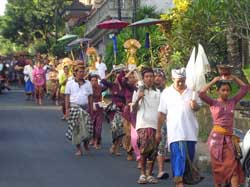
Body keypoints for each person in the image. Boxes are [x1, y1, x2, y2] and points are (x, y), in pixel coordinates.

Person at [199, 75, 248, 187]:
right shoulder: (213, 103)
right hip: (216, 140)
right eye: (223, 90)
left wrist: (234, 78)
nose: (226, 92)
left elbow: (245, 88)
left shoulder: (233, 101)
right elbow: (201, 93)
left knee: (233, 168)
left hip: (230, 140)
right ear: (218, 91)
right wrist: (214, 80)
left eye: (228, 90)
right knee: (218, 170)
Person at [156, 68, 200, 187]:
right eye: (178, 81)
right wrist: (158, 131)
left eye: (183, 80)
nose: (181, 83)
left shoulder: (192, 91)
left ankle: (182, 182)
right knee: (179, 160)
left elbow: (197, 108)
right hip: (175, 134)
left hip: (190, 133)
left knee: (188, 161)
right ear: (172, 79)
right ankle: (179, 183)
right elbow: (161, 114)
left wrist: (194, 104)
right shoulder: (166, 93)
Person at [132, 67, 161, 184]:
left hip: (155, 125)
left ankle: (149, 174)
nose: (149, 79)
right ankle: (142, 174)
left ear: (154, 78)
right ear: (143, 79)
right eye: (147, 77)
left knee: (153, 151)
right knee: (144, 150)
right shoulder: (138, 91)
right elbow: (134, 109)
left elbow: (161, 111)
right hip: (143, 124)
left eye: (151, 76)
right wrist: (139, 97)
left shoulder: (158, 93)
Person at [65, 65, 93, 156]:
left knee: (88, 129)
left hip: (85, 108)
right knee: (75, 129)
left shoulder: (88, 83)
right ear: (75, 72)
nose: (82, 73)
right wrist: (67, 109)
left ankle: (85, 143)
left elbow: (90, 97)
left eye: (83, 72)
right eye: (80, 72)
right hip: (74, 108)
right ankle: (79, 149)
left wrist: (91, 109)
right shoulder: (70, 83)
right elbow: (67, 97)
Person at [101, 69, 125, 156]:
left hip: (123, 111)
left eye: (121, 77)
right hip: (113, 111)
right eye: (118, 77)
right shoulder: (113, 86)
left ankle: (116, 148)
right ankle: (114, 145)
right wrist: (110, 73)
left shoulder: (125, 87)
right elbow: (103, 81)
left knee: (121, 131)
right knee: (115, 130)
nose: (119, 79)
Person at [153, 68, 169, 180]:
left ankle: (161, 170)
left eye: (160, 76)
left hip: (164, 122)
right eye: (155, 76)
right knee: (151, 147)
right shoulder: (148, 90)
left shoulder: (168, 92)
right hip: (150, 122)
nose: (157, 78)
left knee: (161, 146)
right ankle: (148, 170)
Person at [121, 69, 138, 162]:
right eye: (130, 77)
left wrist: (136, 72)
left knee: (136, 134)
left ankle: (136, 152)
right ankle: (129, 152)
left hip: (137, 111)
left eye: (133, 77)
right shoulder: (127, 87)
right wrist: (130, 71)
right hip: (128, 112)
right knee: (128, 134)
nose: (132, 79)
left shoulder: (138, 87)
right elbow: (123, 80)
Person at [89, 74, 105, 149]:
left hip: (99, 108)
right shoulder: (88, 88)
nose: (94, 82)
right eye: (92, 81)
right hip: (91, 108)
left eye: (95, 80)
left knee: (98, 126)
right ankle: (92, 138)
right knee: (92, 125)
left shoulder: (100, 88)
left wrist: (101, 78)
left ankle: (96, 142)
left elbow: (106, 83)